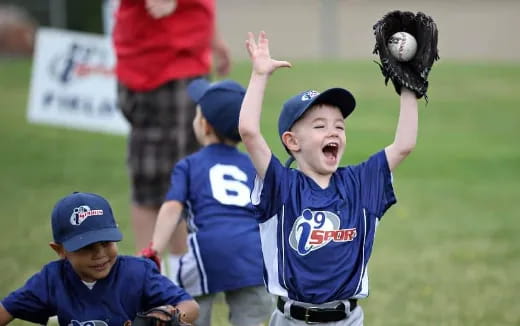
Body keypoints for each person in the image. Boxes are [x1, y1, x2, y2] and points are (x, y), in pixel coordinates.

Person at [238, 31, 419, 325]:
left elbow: (404, 145)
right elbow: (248, 132)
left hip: (347, 319)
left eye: (340, 126)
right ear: (292, 141)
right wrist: (259, 75)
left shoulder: (360, 183)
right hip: (291, 319)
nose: (333, 131)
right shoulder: (282, 185)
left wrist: (409, 88)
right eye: (320, 126)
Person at [112, 0, 232, 277]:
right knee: (152, 179)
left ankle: (181, 274)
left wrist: (213, 38)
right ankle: (147, 277)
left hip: (188, 58)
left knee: (185, 175)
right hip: (156, 65)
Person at [140, 79, 273, 326]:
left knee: (187, 313)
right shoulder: (253, 165)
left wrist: (155, 249)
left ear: (205, 125)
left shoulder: (189, 165)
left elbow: (171, 208)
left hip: (207, 251)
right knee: (250, 318)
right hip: (252, 254)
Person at [0, 192, 199, 326]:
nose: (100, 254)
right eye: (86, 247)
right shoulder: (52, 280)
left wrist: (169, 316)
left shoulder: (138, 273)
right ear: (60, 250)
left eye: (106, 243)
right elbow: (6, 310)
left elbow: (190, 306)